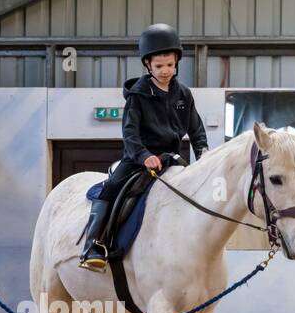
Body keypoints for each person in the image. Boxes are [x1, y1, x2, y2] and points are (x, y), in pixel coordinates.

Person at [79, 23, 209, 271]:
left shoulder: (184, 94)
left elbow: (196, 130)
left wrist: (202, 154)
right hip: (138, 157)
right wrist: (144, 155)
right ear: (148, 65)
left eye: (170, 65)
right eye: (159, 66)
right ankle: (93, 246)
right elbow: (129, 133)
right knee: (111, 188)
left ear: (177, 63)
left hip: (172, 159)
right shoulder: (138, 95)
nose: (165, 71)